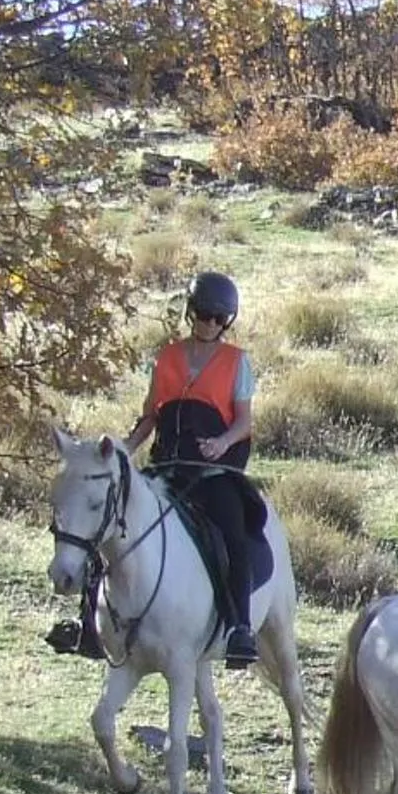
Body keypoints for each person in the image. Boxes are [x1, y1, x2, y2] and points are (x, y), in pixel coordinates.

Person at [126, 271, 259, 668]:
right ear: (191, 311)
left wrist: (221, 443)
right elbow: (150, 416)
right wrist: (125, 448)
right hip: (167, 464)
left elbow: (244, 423)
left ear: (228, 321)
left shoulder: (237, 362)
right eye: (204, 313)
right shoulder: (166, 358)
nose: (210, 323)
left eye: (220, 318)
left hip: (212, 471)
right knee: (115, 519)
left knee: (234, 534)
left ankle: (240, 627)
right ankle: (90, 619)